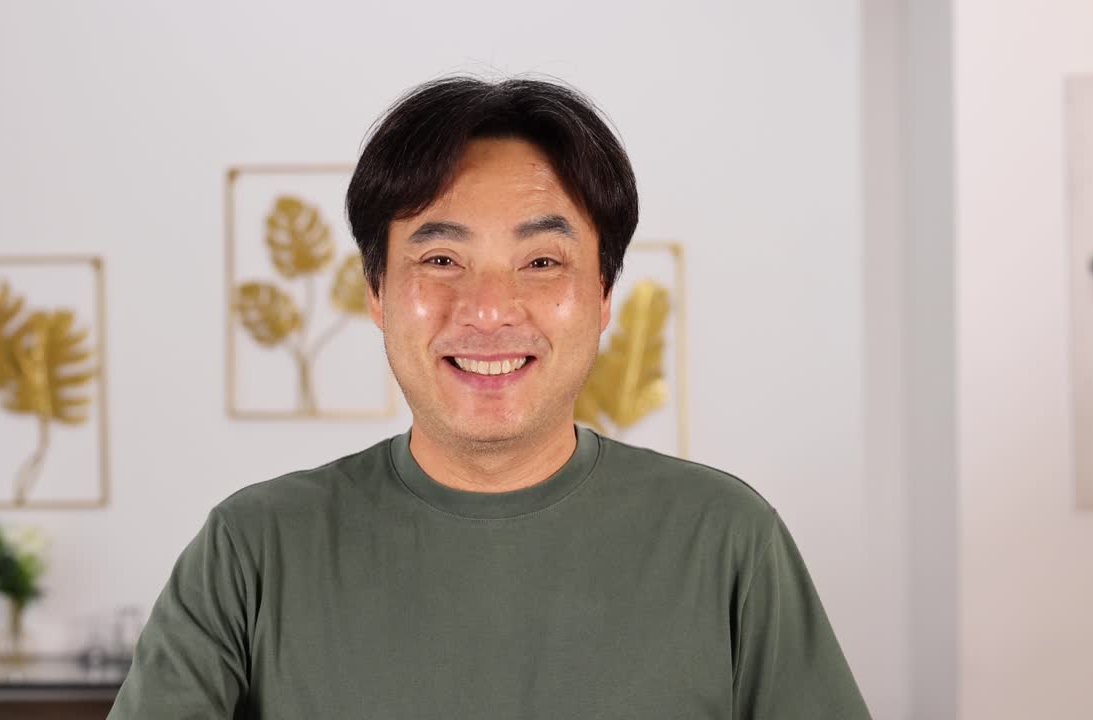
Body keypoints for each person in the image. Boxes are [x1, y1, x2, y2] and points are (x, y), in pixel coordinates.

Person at [108, 75, 872, 719]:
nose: (488, 310)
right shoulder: (251, 549)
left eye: (541, 262)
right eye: (442, 258)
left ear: (604, 295)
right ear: (376, 291)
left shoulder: (726, 539)